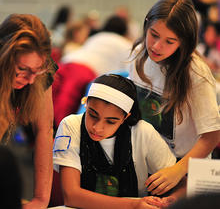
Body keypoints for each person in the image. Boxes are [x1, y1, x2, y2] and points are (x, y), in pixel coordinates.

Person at [129, 0, 220, 197]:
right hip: (147, 164)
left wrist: (177, 172)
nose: (156, 46)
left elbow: (212, 135)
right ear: (146, 26)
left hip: (185, 169)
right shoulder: (139, 53)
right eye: (153, 34)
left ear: (184, 43)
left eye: (169, 41)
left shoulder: (195, 73)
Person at [52, 74, 187, 209]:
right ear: (86, 103)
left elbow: (182, 183)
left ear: (125, 117)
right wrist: (134, 205)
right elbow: (72, 196)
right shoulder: (71, 126)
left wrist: (172, 199)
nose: (97, 128)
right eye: (92, 114)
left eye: (111, 121)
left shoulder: (142, 132)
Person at [0, 14, 58, 208]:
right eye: (22, 69)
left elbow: (44, 130)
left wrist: (41, 200)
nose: (31, 80)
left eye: (38, 70)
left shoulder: (37, 74)